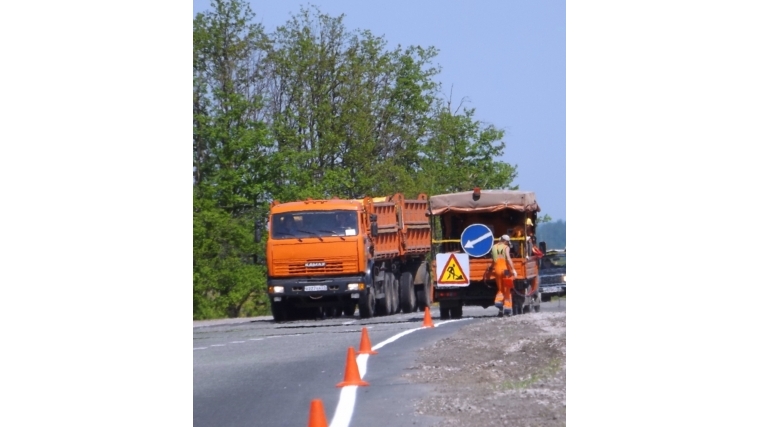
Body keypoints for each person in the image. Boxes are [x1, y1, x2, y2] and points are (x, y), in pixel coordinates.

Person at [491, 235, 518, 317]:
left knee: (500, 288)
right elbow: (508, 258)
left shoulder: (494, 247)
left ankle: (498, 301)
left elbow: (493, 259)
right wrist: (513, 269)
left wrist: (491, 267)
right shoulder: (506, 247)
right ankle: (507, 308)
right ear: (505, 241)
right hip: (505, 270)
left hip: (497, 270)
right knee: (507, 289)